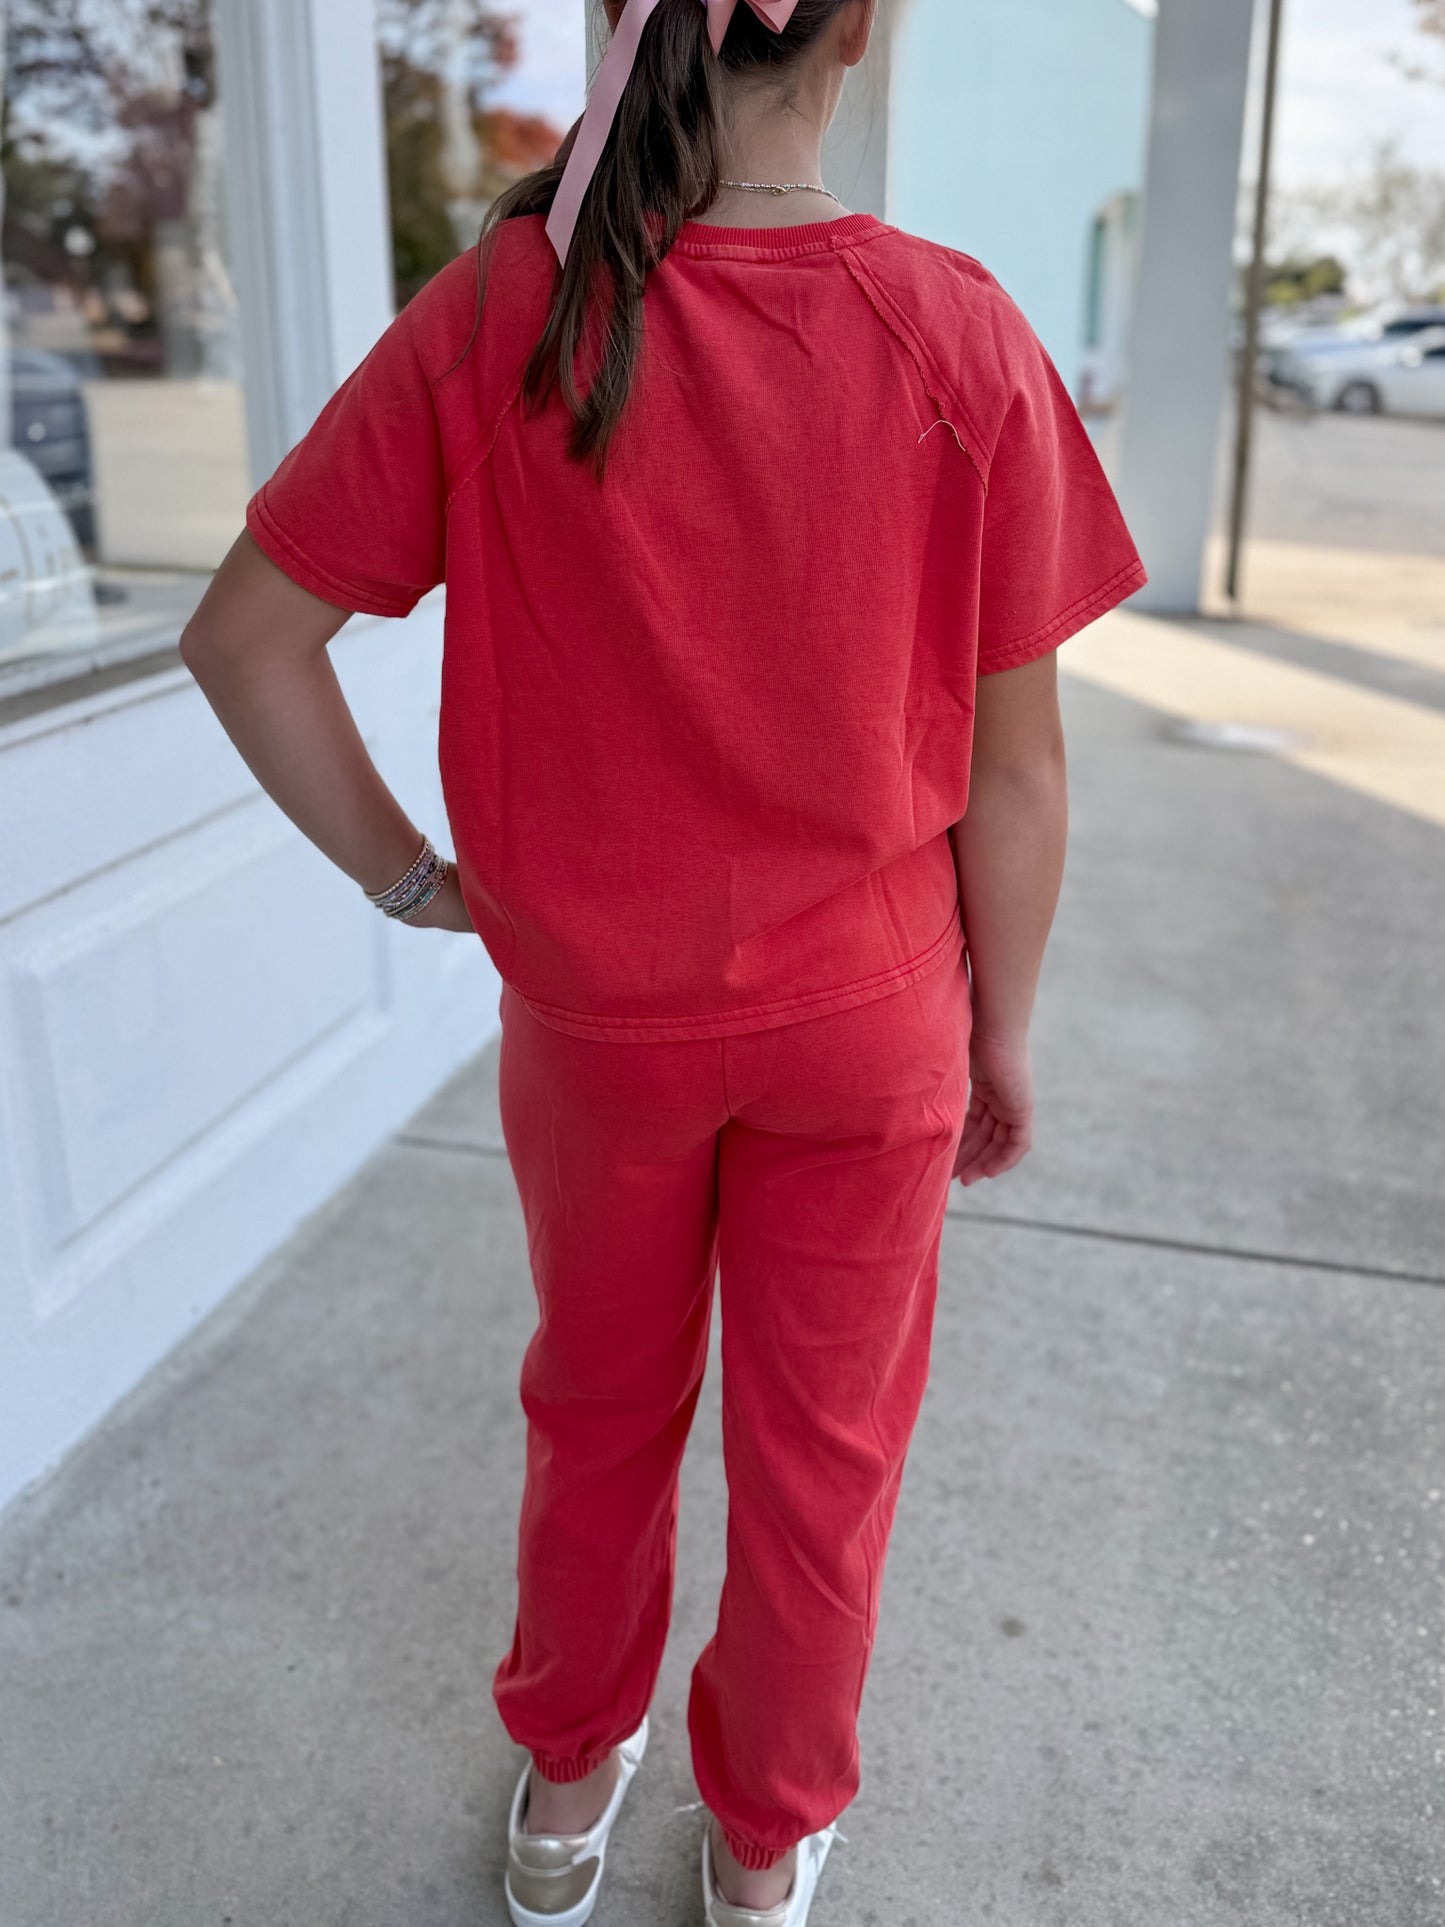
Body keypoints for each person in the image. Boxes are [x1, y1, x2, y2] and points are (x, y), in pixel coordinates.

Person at [179, 1, 1147, 1920]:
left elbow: (242, 641)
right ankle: (769, 1839)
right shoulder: (955, 330)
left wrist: (412, 886)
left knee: (597, 1401)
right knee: (826, 1452)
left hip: (594, 1024)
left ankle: (562, 1792)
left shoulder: (501, 316)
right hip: (873, 1023)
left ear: (628, 30)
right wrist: (1002, 1033)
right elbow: (1018, 775)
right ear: (852, 35)